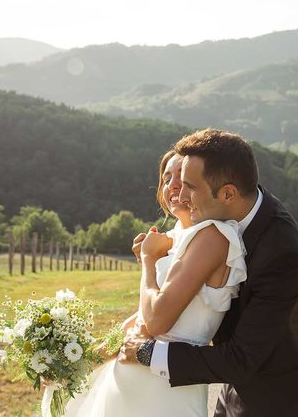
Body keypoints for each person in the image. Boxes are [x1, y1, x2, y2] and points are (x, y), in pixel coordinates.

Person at [120, 128, 298, 417]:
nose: (180, 194)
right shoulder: (226, 214)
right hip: (238, 391)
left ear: (228, 193)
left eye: (190, 187)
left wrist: (148, 353)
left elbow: (242, 357)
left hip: (289, 399)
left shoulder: (285, 255)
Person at [65, 148, 247, 416]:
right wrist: (81, 362)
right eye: (167, 177)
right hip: (128, 386)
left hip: (166, 392)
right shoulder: (174, 237)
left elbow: (155, 323)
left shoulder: (214, 236)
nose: (173, 186)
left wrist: (148, 260)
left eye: (183, 179)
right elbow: (139, 319)